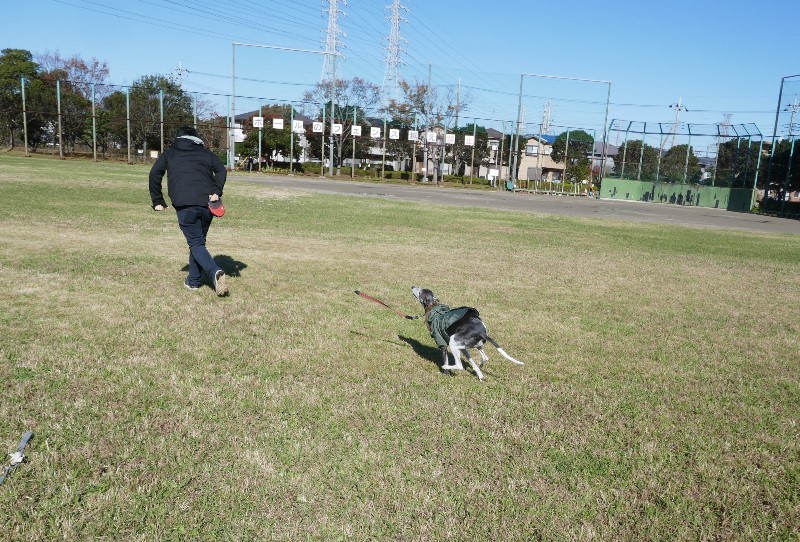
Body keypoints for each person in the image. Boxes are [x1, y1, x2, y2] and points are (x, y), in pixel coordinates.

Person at [149, 126, 229, 296]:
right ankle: (193, 281)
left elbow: (155, 173)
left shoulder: (170, 154)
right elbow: (221, 170)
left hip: (184, 204)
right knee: (198, 242)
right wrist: (216, 191)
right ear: (196, 139)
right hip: (207, 204)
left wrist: (157, 200)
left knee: (196, 243)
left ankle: (214, 271)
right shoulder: (206, 154)